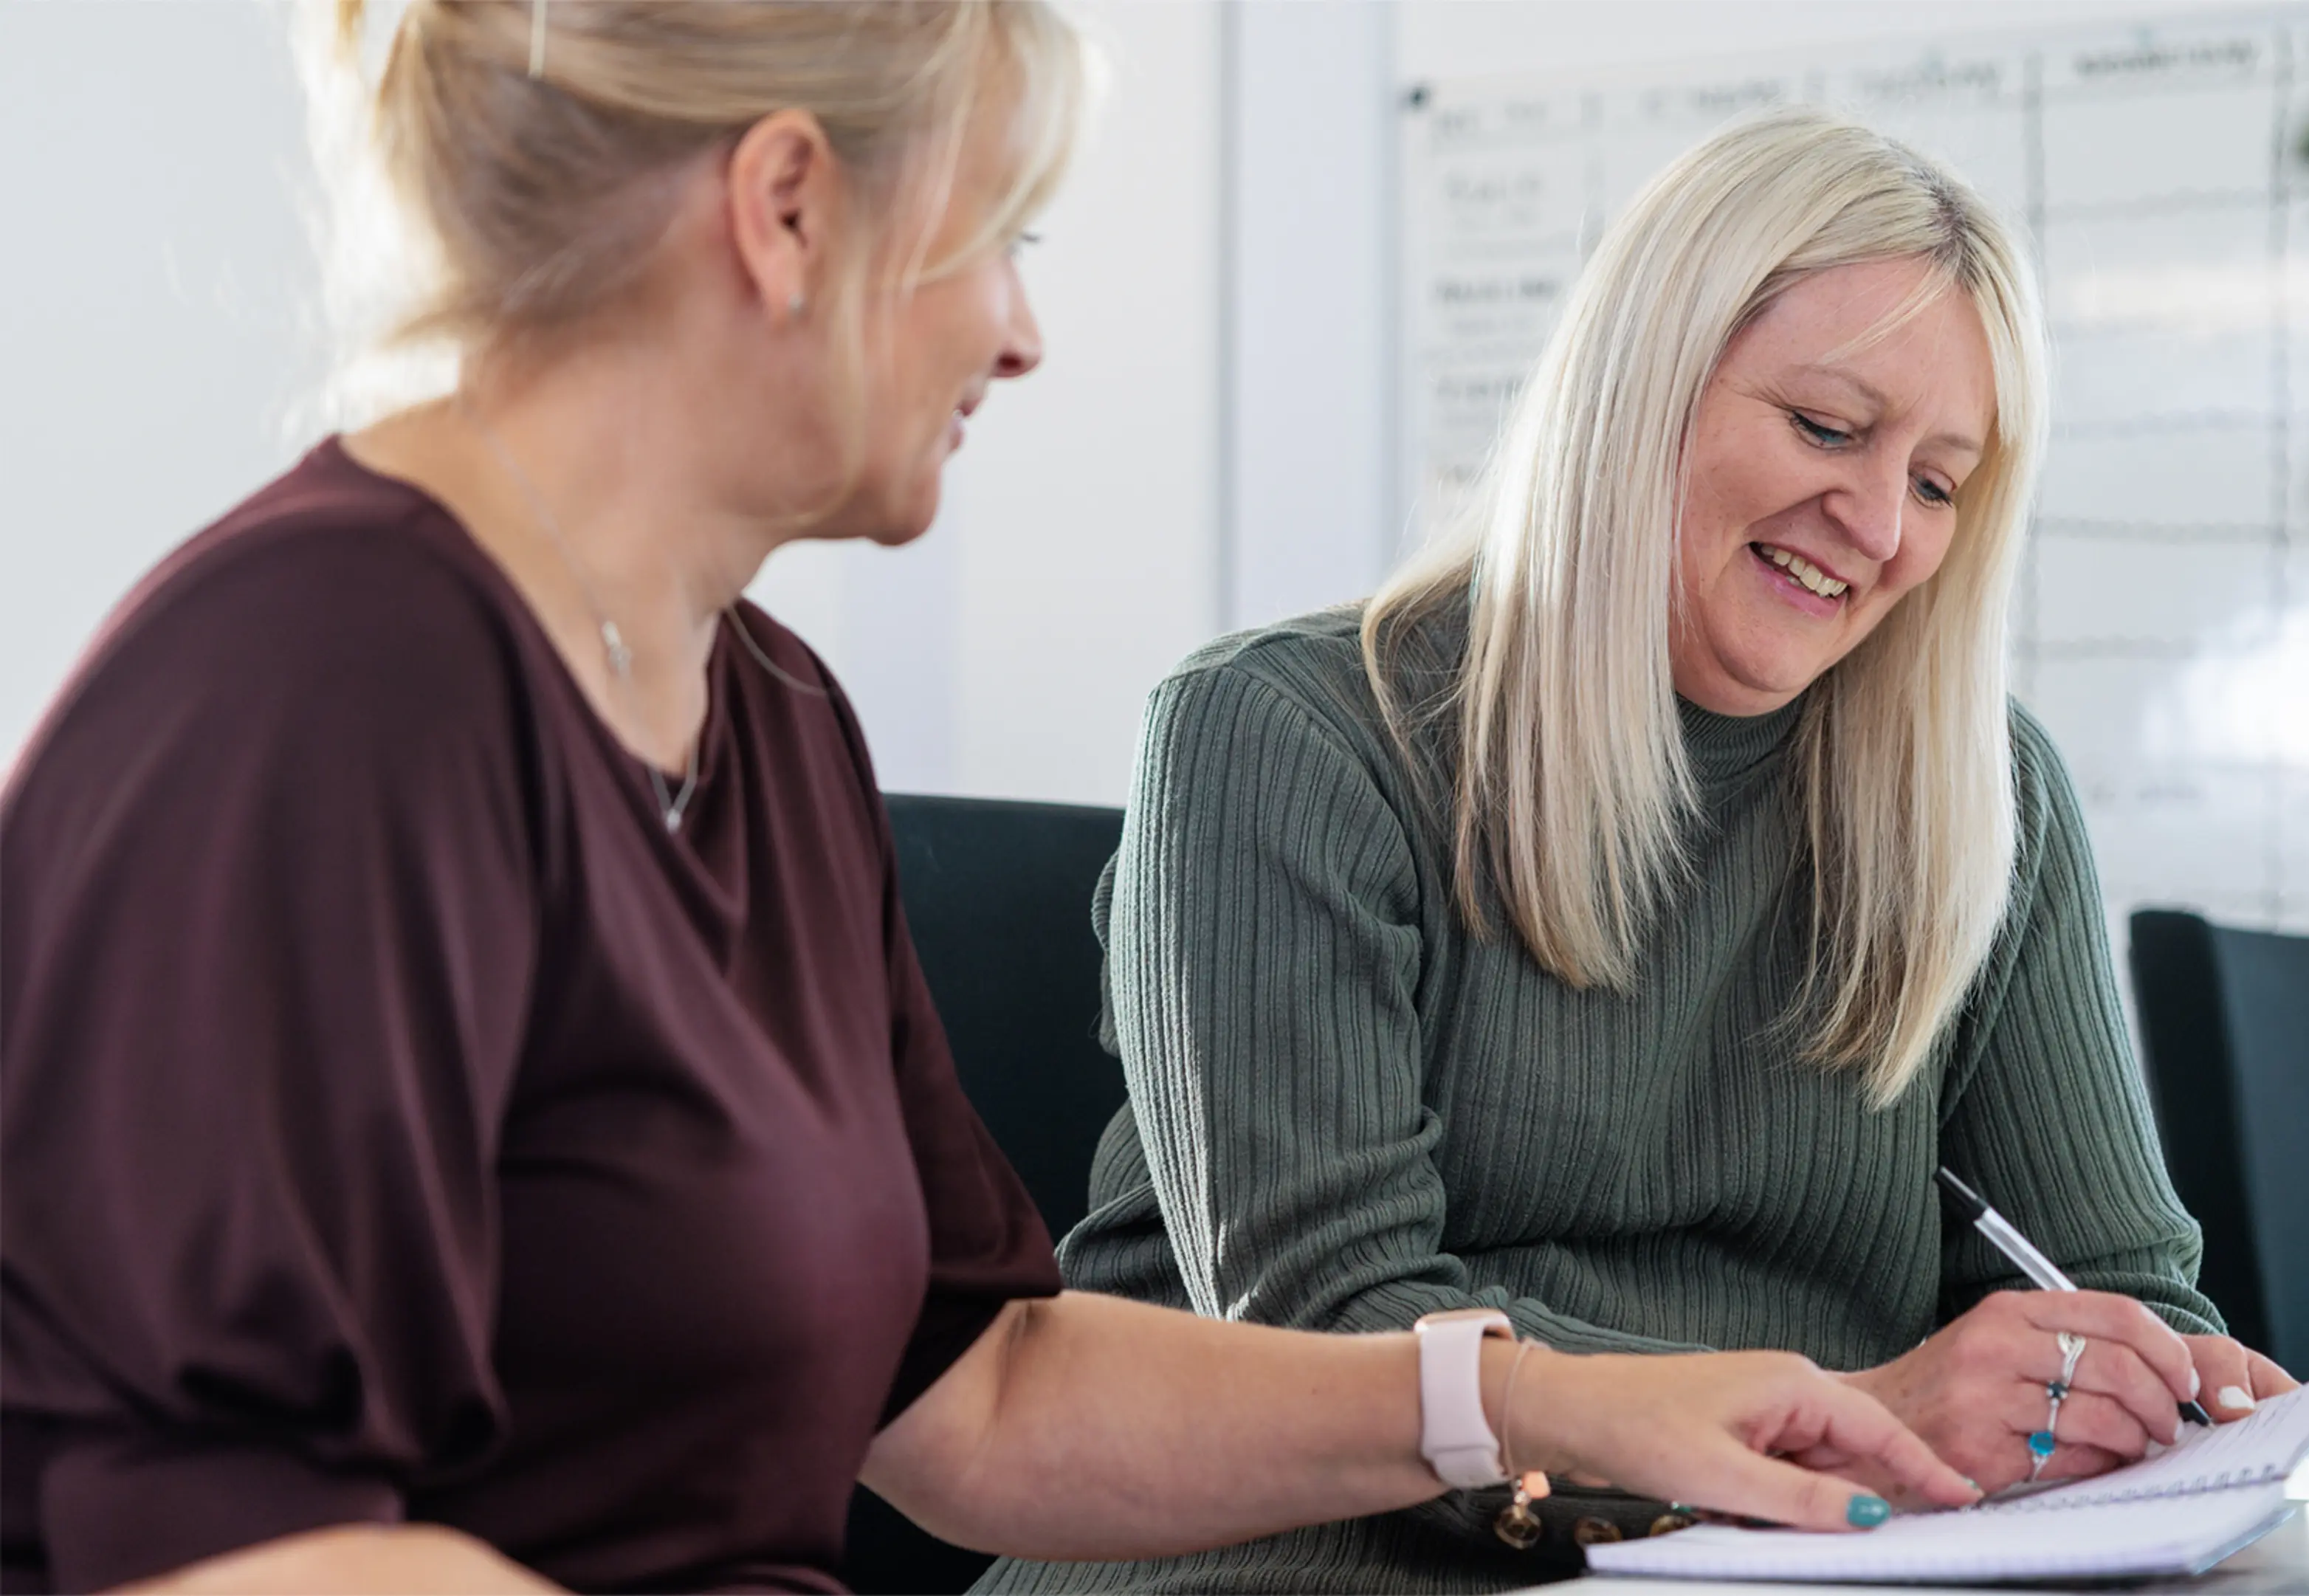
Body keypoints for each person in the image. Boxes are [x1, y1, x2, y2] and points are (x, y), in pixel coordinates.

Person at [0, 11, 1989, 1593]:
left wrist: (1565, 1407)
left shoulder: (764, 711)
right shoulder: (325, 680)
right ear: (789, 210)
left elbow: (976, 1388)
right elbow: (221, 1537)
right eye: (1001, 236)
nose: (1027, 332)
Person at [975, 107, 2301, 1595]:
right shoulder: (1282, 735)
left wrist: (2147, 1388)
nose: (1874, 525)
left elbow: (2105, 1279)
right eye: (1826, 426)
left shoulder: (1982, 791)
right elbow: (1322, 1337)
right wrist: (1854, 1418)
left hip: (1766, 1563)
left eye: (1938, 482)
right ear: (1640, 387)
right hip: (1297, 1564)